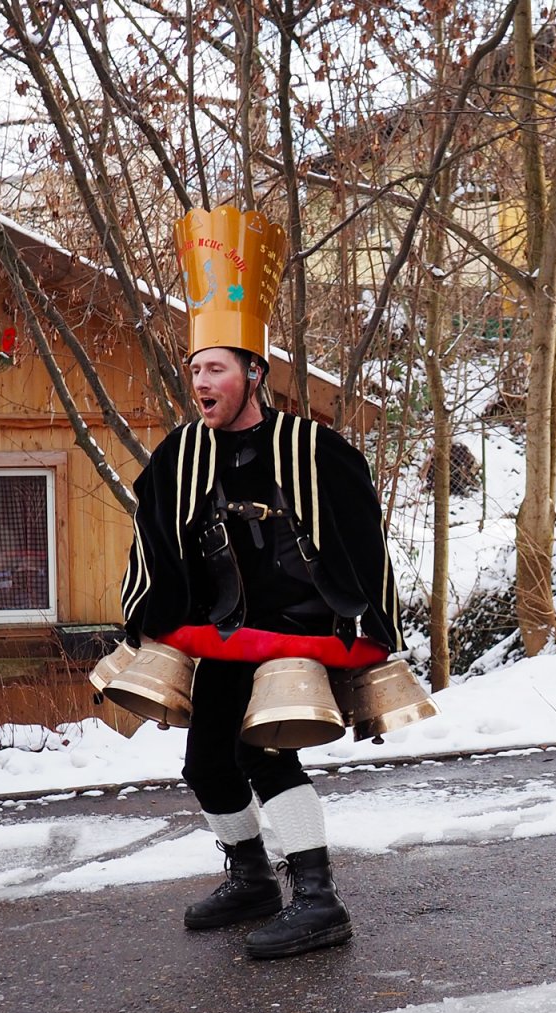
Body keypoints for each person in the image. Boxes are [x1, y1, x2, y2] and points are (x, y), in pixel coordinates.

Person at [118, 205, 405, 960]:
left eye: (214, 367)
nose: (199, 381)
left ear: (253, 373)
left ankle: (318, 898)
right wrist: (153, 611)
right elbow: (151, 531)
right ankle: (252, 878)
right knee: (205, 764)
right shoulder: (181, 453)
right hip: (224, 632)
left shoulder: (313, 446)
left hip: (298, 630)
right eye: (193, 369)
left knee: (265, 753)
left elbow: (362, 536)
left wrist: (366, 621)